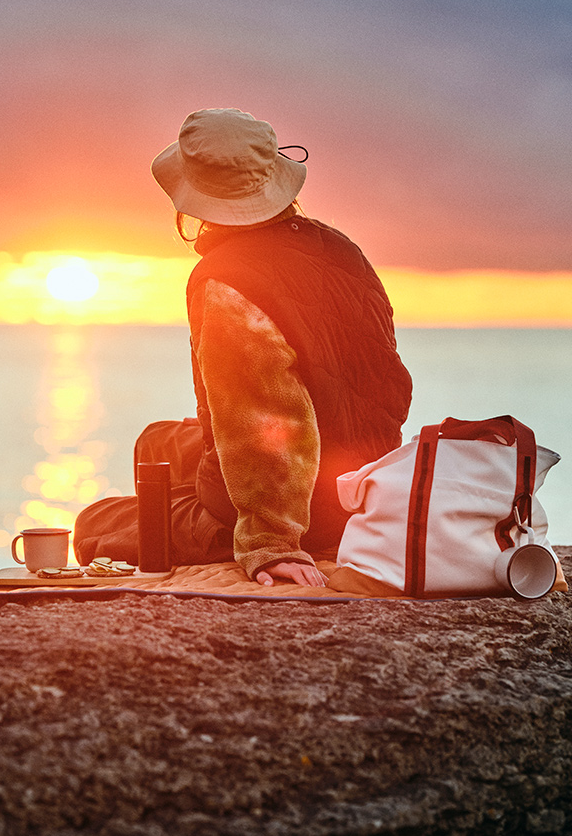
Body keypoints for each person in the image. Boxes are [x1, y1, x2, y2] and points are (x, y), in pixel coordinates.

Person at [73, 108, 413, 587]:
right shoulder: (342, 250)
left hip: (308, 512)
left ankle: (218, 531)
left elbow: (270, 419)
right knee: (156, 441)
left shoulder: (226, 281)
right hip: (360, 483)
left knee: (95, 523)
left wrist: (271, 544)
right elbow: (381, 379)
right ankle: (201, 511)